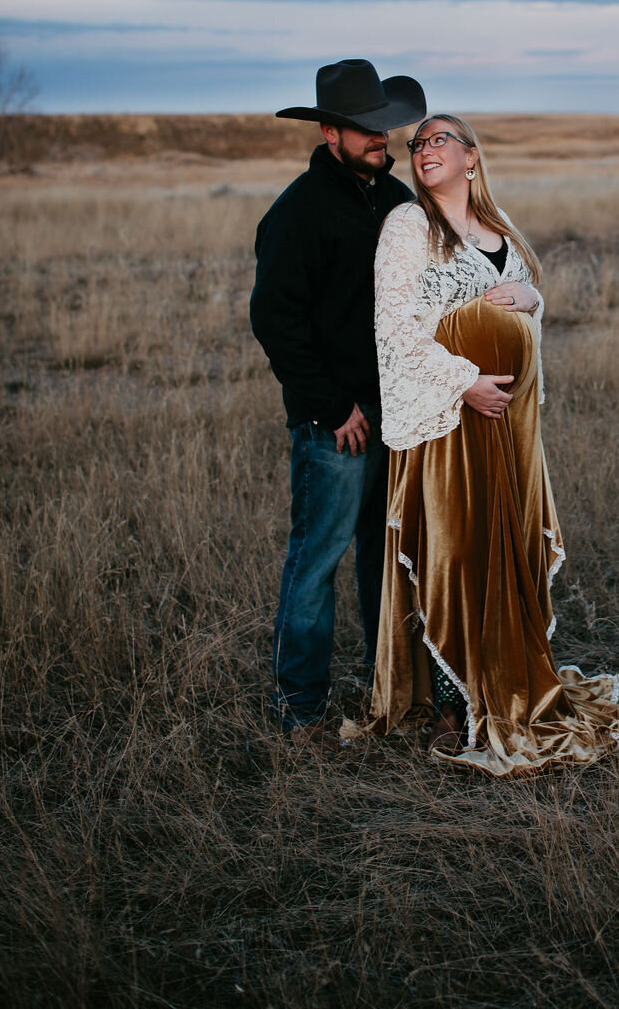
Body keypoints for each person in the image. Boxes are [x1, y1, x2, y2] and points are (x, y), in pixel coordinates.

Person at [362, 114, 619, 776]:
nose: (424, 150)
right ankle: (454, 706)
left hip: (504, 423)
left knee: (501, 546)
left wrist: (528, 293)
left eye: (438, 141)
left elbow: (523, 301)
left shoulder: (498, 226)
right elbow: (399, 329)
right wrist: (467, 380)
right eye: (417, 144)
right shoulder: (408, 226)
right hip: (447, 416)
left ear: (472, 159)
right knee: (452, 554)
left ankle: (504, 682)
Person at [250, 59, 426, 750]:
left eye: (384, 125)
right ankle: (300, 716)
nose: (383, 139)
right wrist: (330, 407)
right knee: (317, 561)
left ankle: (393, 693)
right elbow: (276, 321)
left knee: (387, 561)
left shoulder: (394, 202)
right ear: (330, 134)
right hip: (336, 427)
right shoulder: (296, 214)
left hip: (396, 416)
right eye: (366, 129)